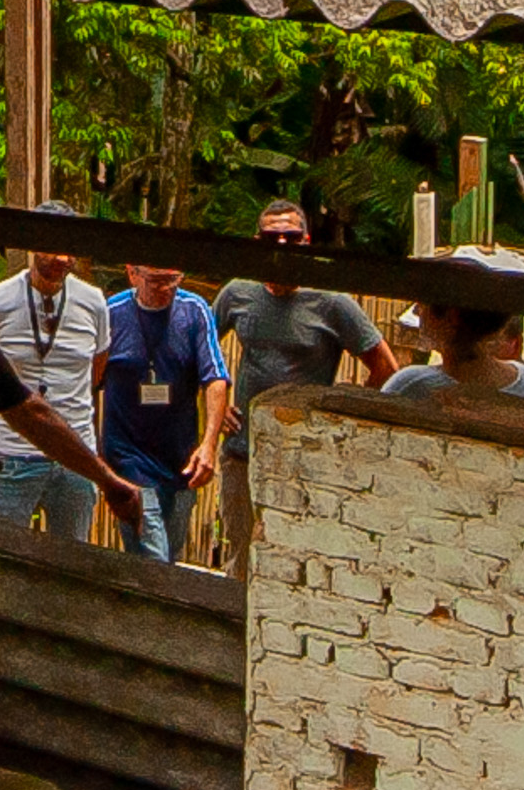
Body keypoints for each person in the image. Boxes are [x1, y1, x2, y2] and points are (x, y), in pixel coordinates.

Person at [207, 203, 383, 567]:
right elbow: (199, 350)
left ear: (306, 241)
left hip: (305, 456)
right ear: (259, 243)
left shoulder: (332, 302)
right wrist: (218, 404)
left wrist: (345, 410)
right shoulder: (239, 293)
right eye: (273, 237)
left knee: (299, 558)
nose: (282, 244)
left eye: (291, 237)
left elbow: (384, 366)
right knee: (242, 556)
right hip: (243, 452)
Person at [0, 241, 117, 541]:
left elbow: (97, 368)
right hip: (12, 453)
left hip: (77, 455)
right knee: (6, 554)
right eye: (52, 250)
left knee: (75, 559)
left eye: (69, 251)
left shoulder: (94, 301)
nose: (62, 258)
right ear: (33, 248)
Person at [89, 256, 225, 560]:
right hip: (128, 457)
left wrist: (209, 444)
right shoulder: (111, 314)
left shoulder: (194, 311)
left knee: (168, 553)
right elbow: (90, 382)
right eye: (156, 281)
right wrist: (95, 452)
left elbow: (215, 378)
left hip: (180, 460)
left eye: (173, 279)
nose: (166, 288)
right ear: (132, 274)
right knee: (156, 555)